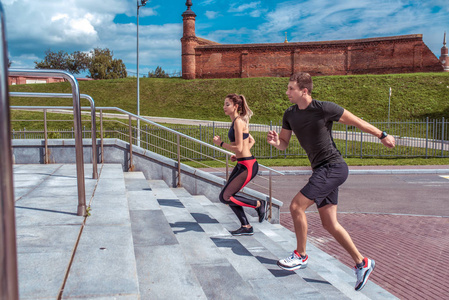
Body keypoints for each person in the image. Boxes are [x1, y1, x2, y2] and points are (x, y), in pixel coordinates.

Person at [266, 72, 395, 291]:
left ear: (304, 91)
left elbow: (357, 122)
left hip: (333, 167)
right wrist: (276, 142)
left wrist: (382, 135)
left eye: (290, 89)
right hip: (321, 169)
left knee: (297, 206)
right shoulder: (289, 114)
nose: (287, 92)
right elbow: (284, 144)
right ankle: (362, 263)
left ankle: (301, 255)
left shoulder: (324, 108)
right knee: (329, 223)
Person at [213, 93, 268, 236]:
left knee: (225, 197)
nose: (224, 107)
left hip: (248, 166)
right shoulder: (237, 121)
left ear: (236, 106)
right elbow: (250, 142)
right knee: (227, 196)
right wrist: (237, 156)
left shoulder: (238, 122)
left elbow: (238, 146)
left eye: (227, 104)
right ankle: (246, 226)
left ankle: (258, 204)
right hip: (241, 163)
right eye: (224, 104)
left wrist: (221, 143)